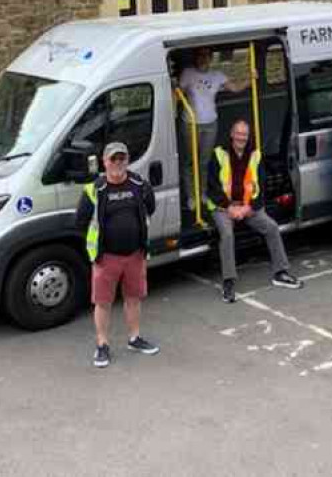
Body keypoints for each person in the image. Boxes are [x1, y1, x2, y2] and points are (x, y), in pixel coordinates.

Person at [75, 141, 159, 368]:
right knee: (103, 303)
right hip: (106, 257)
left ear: (128, 160)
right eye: (113, 158)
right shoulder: (95, 189)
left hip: (135, 254)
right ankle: (102, 345)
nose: (118, 163)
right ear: (104, 162)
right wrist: (96, 250)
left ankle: (134, 338)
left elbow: (150, 207)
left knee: (133, 298)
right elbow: (80, 222)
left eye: (122, 158)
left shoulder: (139, 184)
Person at [206, 119, 303, 303]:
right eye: (238, 133)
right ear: (232, 134)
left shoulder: (255, 155)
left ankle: (280, 272)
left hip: (247, 206)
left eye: (245, 134)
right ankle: (228, 282)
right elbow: (212, 188)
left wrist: (248, 207)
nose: (241, 137)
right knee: (226, 235)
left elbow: (261, 187)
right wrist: (230, 207)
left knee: (272, 227)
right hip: (223, 207)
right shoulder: (218, 154)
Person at [178, 47, 251, 211]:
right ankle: (191, 196)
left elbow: (235, 88)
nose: (203, 58)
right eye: (200, 55)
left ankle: (202, 193)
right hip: (190, 123)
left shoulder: (217, 75)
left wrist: (250, 79)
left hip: (210, 123)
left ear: (211, 58)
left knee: (204, 161)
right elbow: (177, 94)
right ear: (195, 58)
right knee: (190, 161)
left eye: (206, 56)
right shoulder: (188, 73)